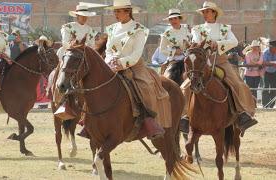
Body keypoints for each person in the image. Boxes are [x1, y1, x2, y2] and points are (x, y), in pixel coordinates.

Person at [181, 1, 257, 135]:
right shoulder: (197, 29)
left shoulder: (224, 28)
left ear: (214, 13)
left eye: (208, 11)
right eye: (203, 12)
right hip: (202, 62)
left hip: (221, 61)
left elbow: (233, 41)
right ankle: (185, 116)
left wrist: (219, 43)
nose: (205, 14)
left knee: (238, 84)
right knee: (185, 86)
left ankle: (241, 114)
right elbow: (197, 41)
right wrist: (207, 44)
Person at [103, 0, 169, 139]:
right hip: (111, 64)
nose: (116, 14)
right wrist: (109, 61)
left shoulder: (139, 29)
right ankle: (89, 120)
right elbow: (108, 49)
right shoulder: (111, 28)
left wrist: (119, 63)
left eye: (119, 11)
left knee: (145, 87)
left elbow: (136, 54)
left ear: (128, 11)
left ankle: (150, 122)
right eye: (115, 11)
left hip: (134, 65)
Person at [54, 4, 98, 118]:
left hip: (85, 58)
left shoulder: (91, 30)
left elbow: (92, 46)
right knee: (62, 73)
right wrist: (76, 48)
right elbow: (65, 42)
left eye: (86, 16)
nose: (84, 18)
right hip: (69, 56)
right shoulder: (67, 27)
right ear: (77, 16)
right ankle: (60, 101)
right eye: (82, 16)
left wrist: (85, 50)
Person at [262, 40, 276, 108]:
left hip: (275, 72)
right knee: (266, 87)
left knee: (274, 88)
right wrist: (273, 63)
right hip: (266, 72)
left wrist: (270, 63)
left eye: (272, 47)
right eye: (270, 47)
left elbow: (267, 63)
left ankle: (271, 105)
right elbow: (264, 63)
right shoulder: (265, 52)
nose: (271, 49)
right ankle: (265, 104)